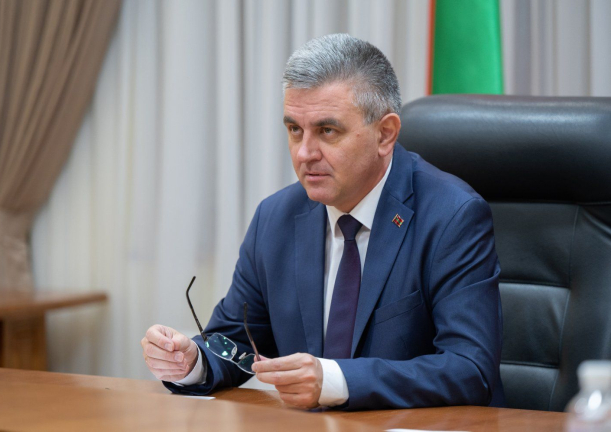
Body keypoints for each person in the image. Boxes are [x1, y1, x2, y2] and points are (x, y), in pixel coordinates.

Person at [141, 33, 505, 411]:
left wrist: (334, 380)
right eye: (294, 130)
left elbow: (470, 369)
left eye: (327, 131)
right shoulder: (276, 218)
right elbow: (235, 341)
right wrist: (191, 362)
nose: (304, 153)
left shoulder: (452, 216)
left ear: (385, 134)